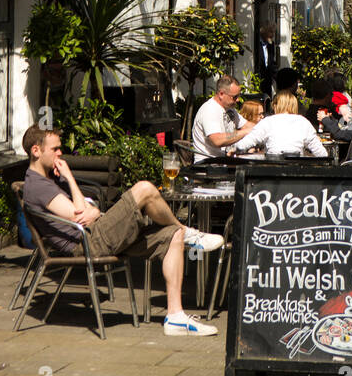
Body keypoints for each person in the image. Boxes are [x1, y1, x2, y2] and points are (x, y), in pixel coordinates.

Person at [21, 125, 222, 336]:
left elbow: (89, 210)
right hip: (87, 244)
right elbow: (78, 213)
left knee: (172, 234)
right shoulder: (38, 185)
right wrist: (70, 178)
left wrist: (94, 211)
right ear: (36, 151)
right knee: (144, 189)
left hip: (96, 233)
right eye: (55, 149)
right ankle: (188, 231)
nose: (60, 153)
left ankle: (175, 316)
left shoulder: (50, 178)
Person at [230, 90, 328, 158]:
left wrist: (233, 149)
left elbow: (244, 144)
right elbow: (321, 153)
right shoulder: (303, 122)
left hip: (273, 169)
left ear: (276, 106)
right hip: (296, 170)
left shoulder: (268, 122)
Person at [191, 75, 255, 160]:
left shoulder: (230, 109)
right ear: (221, 94)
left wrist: (267, 126)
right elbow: (217, 140)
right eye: (234, 97)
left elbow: (247, 125)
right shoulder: (209, 110)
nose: (238, 100)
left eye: (239, 96)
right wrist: (245, 132)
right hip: (207, 165)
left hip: (223, 161)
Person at [256, 24, 278, 99]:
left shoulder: (271, 45)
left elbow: (271, 63)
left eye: (274, 32)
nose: (273, 35)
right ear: (264, 32)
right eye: (271, 32)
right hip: (258, 78)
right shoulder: (256, 44)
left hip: (267, 80)